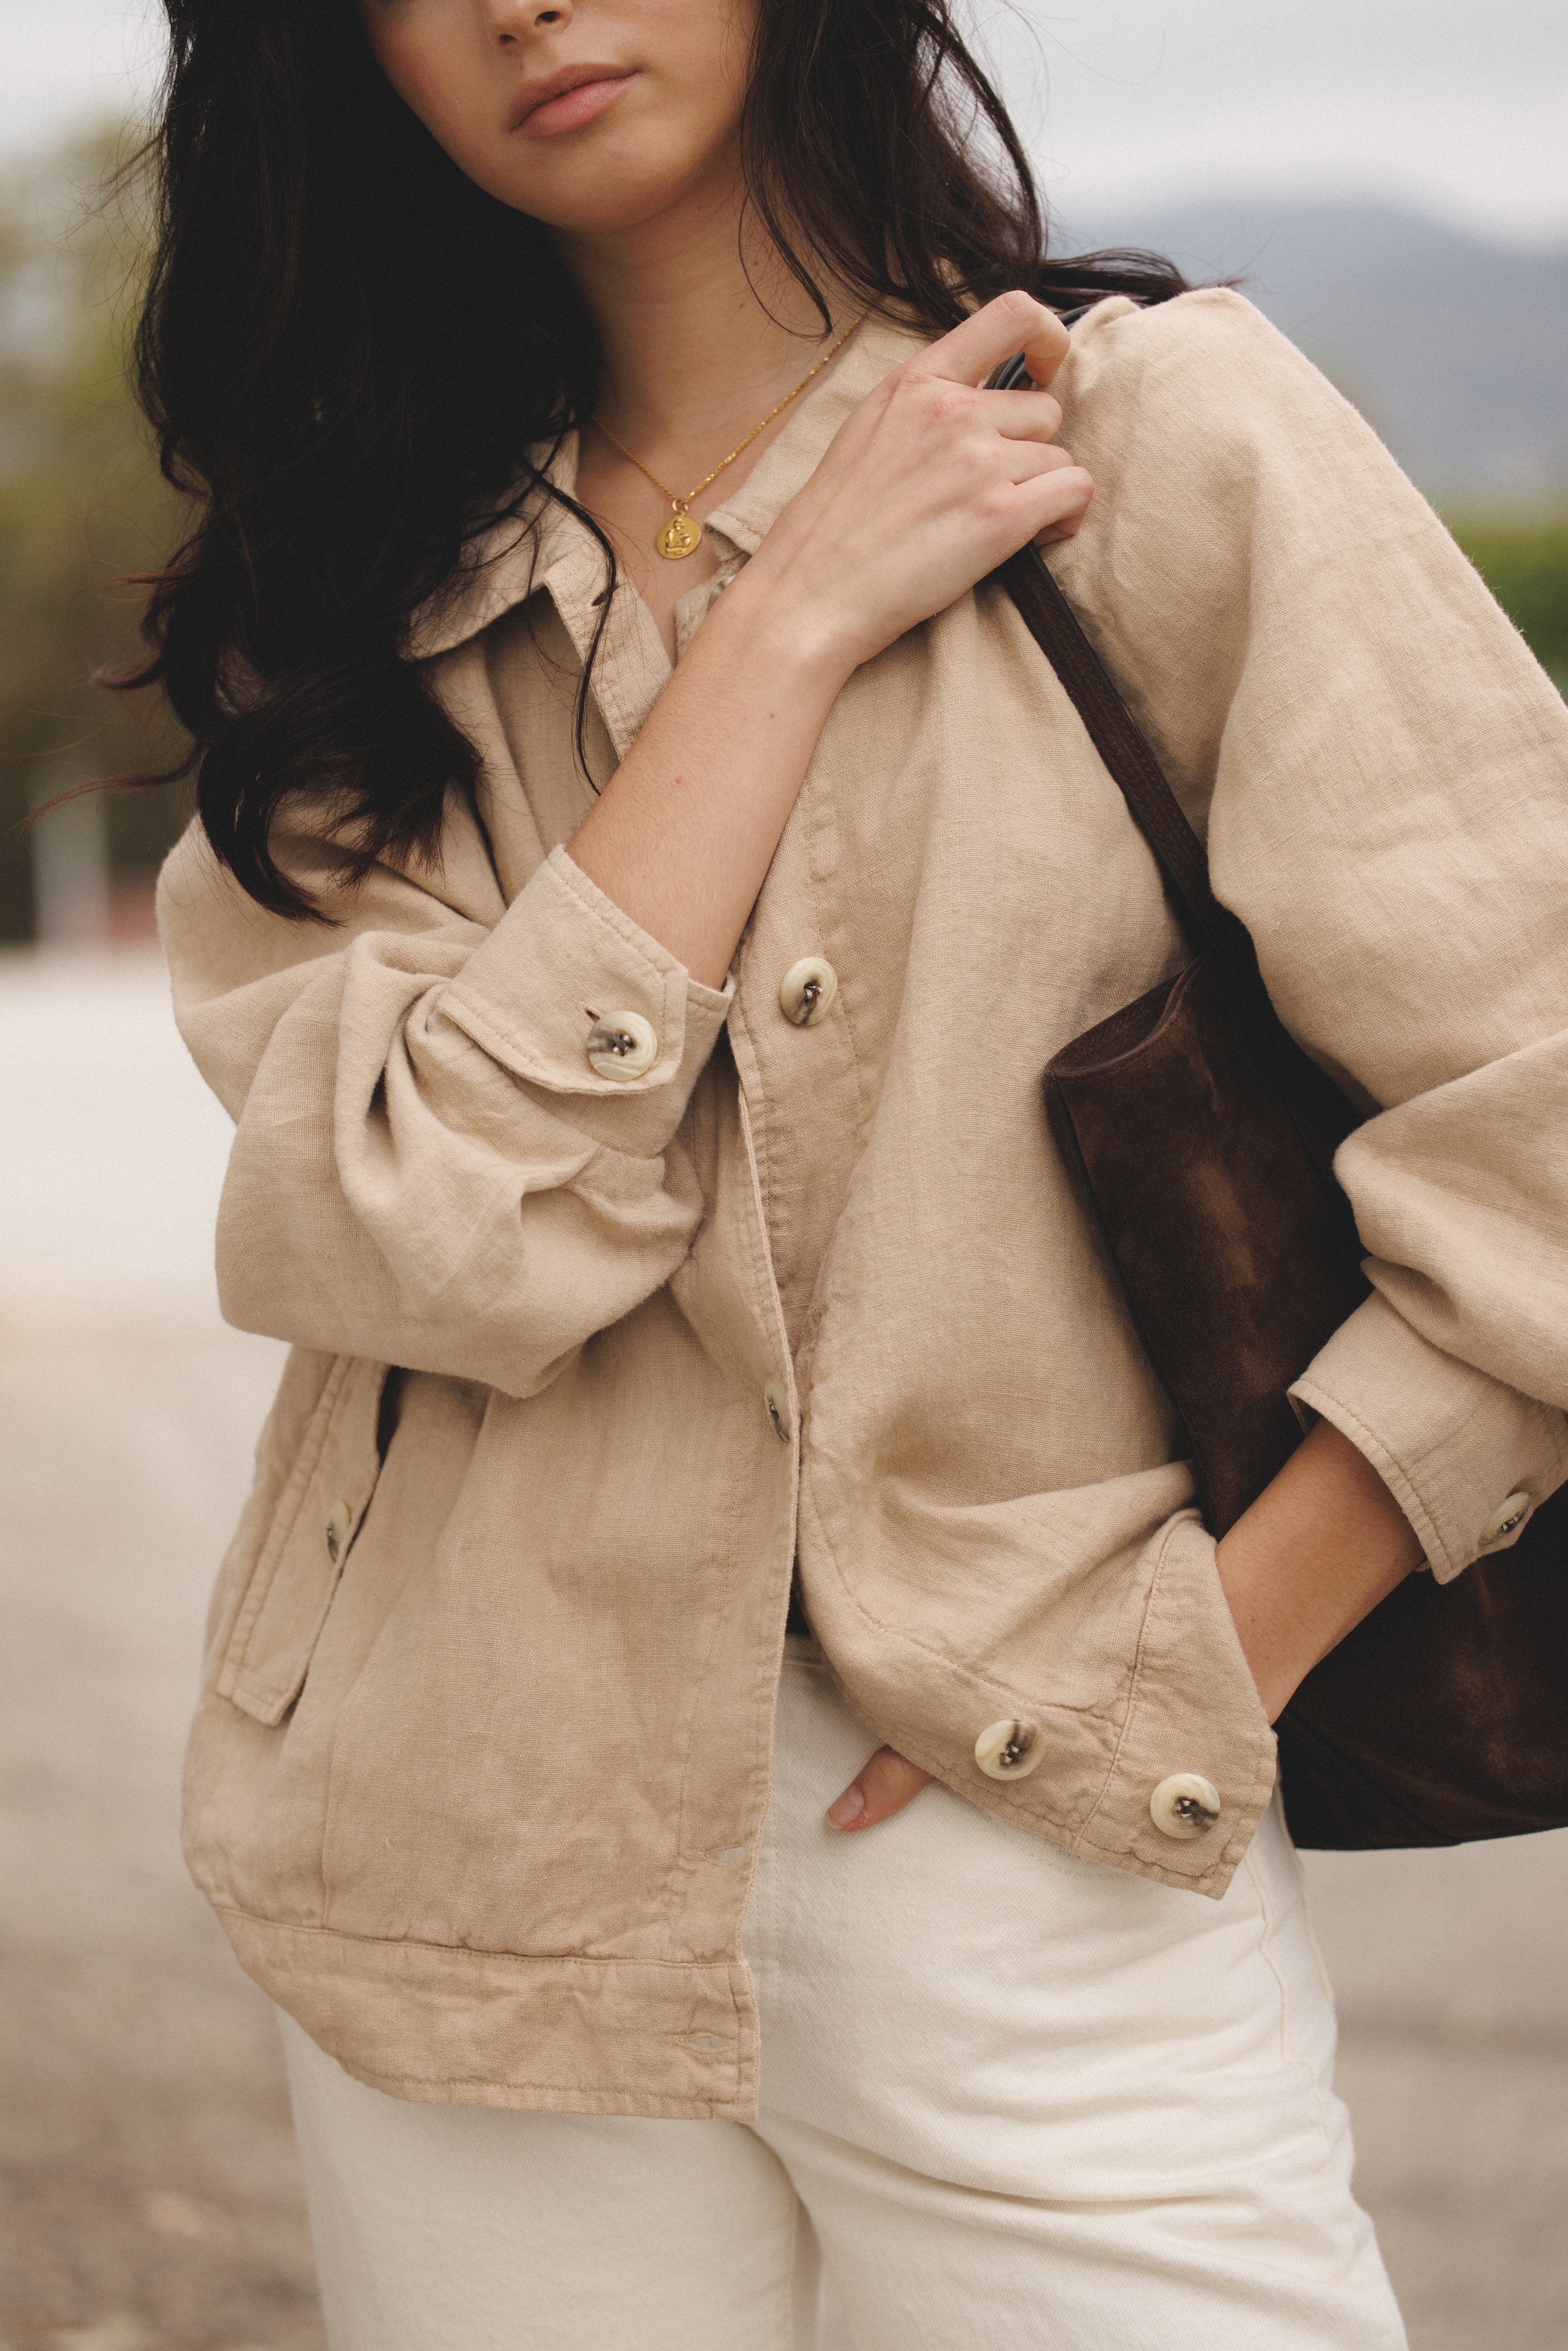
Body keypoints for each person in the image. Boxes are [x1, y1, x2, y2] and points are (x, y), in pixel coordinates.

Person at [131, 0, 1568, 2342]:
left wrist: (1202, 1651)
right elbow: (420, 1236)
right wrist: (781, 631)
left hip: (1031, 1838)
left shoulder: (1151, 436)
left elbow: (1538, 1120)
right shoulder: (345, 590)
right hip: (473, 1878)